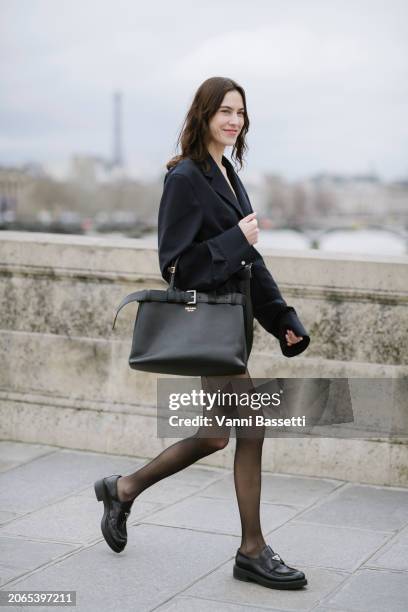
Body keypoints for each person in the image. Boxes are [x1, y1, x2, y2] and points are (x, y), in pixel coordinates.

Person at [95, 76, 310, 591]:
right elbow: (176, 265)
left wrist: (281, 317)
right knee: (252, 425)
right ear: (204, 115)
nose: (234, 120)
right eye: (224, 111)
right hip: (208, 324)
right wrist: (236, 238)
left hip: (232, 325)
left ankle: (122, 489)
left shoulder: (229, 173)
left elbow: (250, 262)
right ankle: (251, 551)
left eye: (240, 112)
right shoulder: (186, 178)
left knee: (216, 434)